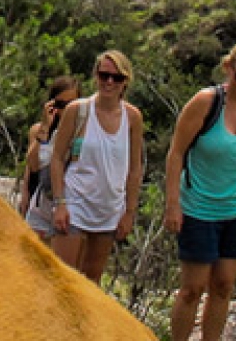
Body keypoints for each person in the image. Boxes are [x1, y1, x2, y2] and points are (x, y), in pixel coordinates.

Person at [164, 40, 236, 341]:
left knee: (224, 285)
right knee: (193, 288)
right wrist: (172, 204)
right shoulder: (205, 103)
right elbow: (176, 153)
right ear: (229, 69)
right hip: (199, 207)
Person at [50, 50, 145, 283]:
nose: (109, 82)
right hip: (75, 202)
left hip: (109, 208)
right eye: (104, 75)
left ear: (125, 82)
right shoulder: (78, 111)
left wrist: (130, 212)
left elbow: (135, 168)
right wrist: (60, 202)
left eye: (117, 77)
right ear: (96, 76)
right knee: (62, 278)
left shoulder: (132, 118)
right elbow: (57, 158)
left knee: (91, 282)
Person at [21, 76, 81, 237]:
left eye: (71, 104)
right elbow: (32, 166)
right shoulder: (40, 131)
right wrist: (45, 128)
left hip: (71, 208)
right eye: (61, 105)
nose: (66, 110)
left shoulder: (83, 132)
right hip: (41, 207)